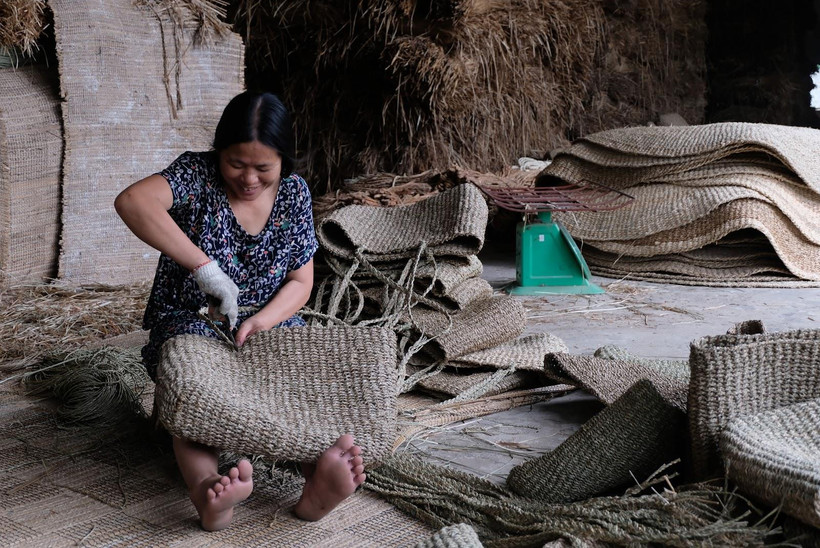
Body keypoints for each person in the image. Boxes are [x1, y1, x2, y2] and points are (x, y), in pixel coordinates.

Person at [114, 91, 366, 531]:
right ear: (219, 153)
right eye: (236, 163)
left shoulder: (293, 194)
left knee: (300, 387)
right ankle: (207, 488)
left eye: (263, 168)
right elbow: (133, 202)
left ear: (284, 161)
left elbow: (301, 282)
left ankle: (314, 486)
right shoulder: (196, 174)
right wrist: (204, 268)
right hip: (195, 319)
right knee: (190, 385)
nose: (249, 178)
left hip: (269, 320)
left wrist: (262, 320)